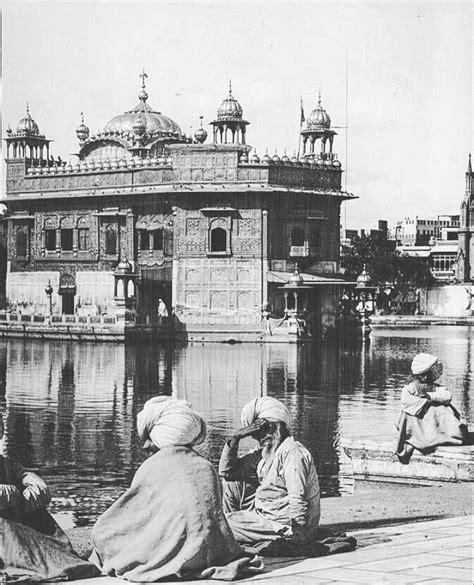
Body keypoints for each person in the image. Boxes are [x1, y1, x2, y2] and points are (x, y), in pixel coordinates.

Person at [89, 396, 263, 582]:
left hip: (178, 548)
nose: (145, 448)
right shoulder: (205, 466)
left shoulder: (153, 466)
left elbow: (134, 516)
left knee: (102, 532)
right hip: (212, 552)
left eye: (148, 444)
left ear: (155, 440)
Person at [0, 413, 99, 582]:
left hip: (14, 519)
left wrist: (22, 498)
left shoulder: (7, 464)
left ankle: (45, 558)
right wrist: (16, 494)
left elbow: (42, 490)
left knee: (38, 513)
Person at [219, 396, 320, 555]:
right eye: (257, 432)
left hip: (286, 526)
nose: (261, 436)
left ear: (278, 427)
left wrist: (299, 537)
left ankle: (234, 533)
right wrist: (235, 438)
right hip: (266, 516)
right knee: (231, 484)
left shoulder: (292, 453)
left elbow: (297, 497)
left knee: (220, 525)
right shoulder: (265, 452)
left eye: (266, 429)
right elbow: (227, 472)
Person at [395, 353, 469, 463]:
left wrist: (430, 397)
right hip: (419, 425)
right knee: (409, 413)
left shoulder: (434, 388)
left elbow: (447, 396)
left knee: (443, 408)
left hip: (433, 426)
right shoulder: (410, 388)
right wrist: (424, 403)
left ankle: (443, 434)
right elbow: (406, 402)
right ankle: (426, 437)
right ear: (424, 376)